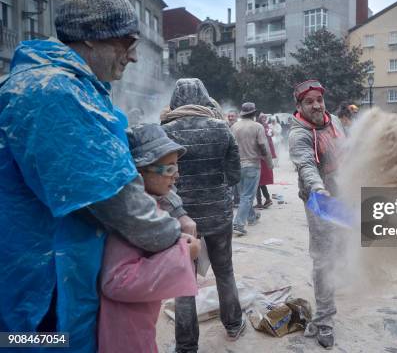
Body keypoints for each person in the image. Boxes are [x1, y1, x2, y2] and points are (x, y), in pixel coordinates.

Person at [0, 0, 181, 349]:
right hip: (44, 293)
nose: (132, 57)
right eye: (127, 43)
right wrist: (174, 237)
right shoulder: (54, 91)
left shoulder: (69, 87)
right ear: (92, 39)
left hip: (50, 273)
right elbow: (115, 198)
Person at [98, 124, 200, 353]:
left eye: (177, 166)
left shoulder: (148, 205)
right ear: (139, 171)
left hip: (137, 319)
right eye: (169, 168)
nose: (176, 174)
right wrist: (183, 254)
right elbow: (117, 281)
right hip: (123, 328)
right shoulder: (133, 218)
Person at [161, 78, 245, 349]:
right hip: (219, 214)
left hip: (181, 218)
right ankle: (233, 325)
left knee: (184, 281)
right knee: (225, 271)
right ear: (205, 98)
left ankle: (186, 346)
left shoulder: (165, 132)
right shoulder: (222, 129)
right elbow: (234, 176)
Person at [288, 80, 346, 349]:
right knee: (323, 261)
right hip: (320, 200)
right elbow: (307, 165)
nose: (316, 105)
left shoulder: (333, 120)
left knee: (344, 250)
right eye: (309, 101)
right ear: (299, 106)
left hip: (345, 194)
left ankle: (334, 292)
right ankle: (324, 320)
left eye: (319, 100)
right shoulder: (298, 134)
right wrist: (319, 189)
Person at [232, 102, 273, 235]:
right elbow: (263, 146)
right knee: (247, 196)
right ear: (254, 113)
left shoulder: (234, 127)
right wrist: (269, 162)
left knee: (244, 194)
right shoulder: (257, 127)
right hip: (252, 165)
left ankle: (251, 217)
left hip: (237, 165)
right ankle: (238, 224)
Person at [256, 112, 276, 209]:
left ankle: (262, 201)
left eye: (265, 117)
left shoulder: (264, 127)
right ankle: (266, 199)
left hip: (261, 157)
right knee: (259, 181)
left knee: (258, 180)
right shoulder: (260, 127)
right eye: (262, 117)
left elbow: (265, 143)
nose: (264, 118)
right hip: (262, 157)